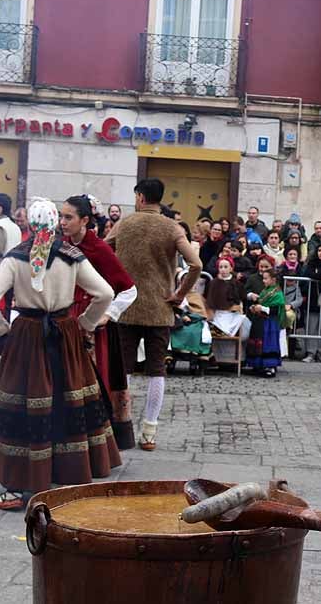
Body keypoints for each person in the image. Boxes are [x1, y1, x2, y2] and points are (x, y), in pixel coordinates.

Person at [0, 198, 120, 511]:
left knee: (25, 403)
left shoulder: (16, 257)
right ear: (56, 223)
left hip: (27, 335)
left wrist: (2, 332)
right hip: (64, 332)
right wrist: (84, 324)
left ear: (29, 224)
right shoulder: (72, 255)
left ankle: (19, 484)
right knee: (66, 400)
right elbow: (105, 294)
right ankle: (64, 477)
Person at [108, 178, 202, 451]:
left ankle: (119, 426)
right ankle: (149, 432)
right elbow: (195, 264)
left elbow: (102, 250)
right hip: (160, 308)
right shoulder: (172, 227)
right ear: (160, 199)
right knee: (156, 370)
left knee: (122, 369)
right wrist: (180, 294)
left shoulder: (125, 223)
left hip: (126, 308)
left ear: (139, 196)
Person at [60, 195, 139, 450]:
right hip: (64, 321)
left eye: (68, 217)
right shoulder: (59, 245)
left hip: (94, 327)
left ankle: (97, 444)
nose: (63, 222)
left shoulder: (100, 249)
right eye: (61, 216)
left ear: (84, 220)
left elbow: (129, 290)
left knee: (93, 383)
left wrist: (107, 314)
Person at [244, 268, 285, 377]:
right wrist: (255, 308)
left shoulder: (277, 293)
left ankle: (270, 366)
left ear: (273, 280)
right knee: (258, 342)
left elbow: (275, 310)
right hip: (260, 321)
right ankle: (257, 365)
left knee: (268, 344)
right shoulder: (265, 291)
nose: (263, 281)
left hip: (269, 323)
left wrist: (261, 308)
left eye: (266, 279)